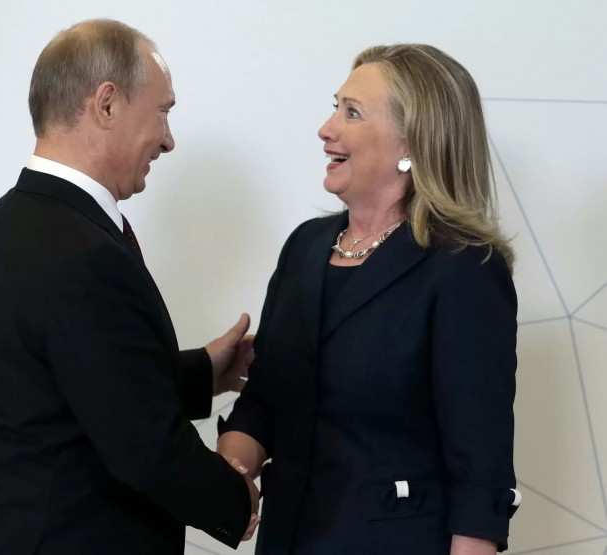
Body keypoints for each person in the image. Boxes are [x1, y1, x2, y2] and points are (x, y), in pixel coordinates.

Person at [0, 19, 259, 555]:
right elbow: (144, 446)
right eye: (163, 112)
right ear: (107, 104)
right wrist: (236, 500)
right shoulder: (82, 251)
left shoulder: (7, 221)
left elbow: (85, 383)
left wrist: (205, 371)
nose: (168, 140)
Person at [218, 44, 522, 554]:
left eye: (352, 113)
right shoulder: (305, 247)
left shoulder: (464, 268)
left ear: (412, 142)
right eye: (335, 107)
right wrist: (230, 471)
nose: (326, 128)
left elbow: (480, 472)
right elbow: (264, 402)